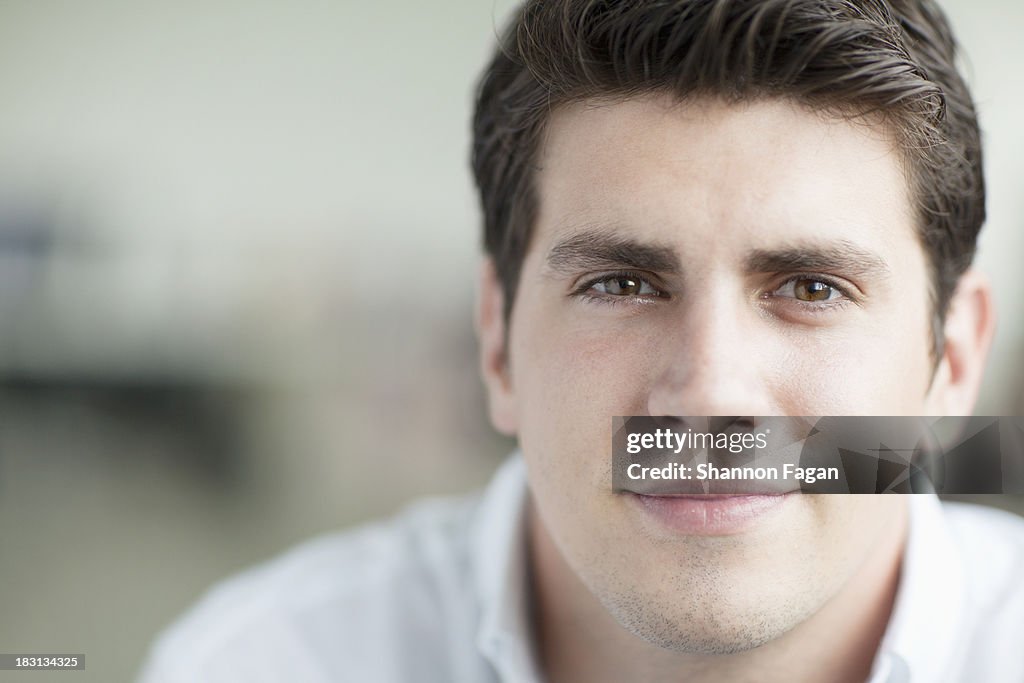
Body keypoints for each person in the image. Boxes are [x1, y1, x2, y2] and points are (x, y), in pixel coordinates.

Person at [139, 1, 1024, 681]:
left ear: (954, 357)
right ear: (496, 342)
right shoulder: (256, 660)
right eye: (621, 284)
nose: (711, 392)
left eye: (811, 287)